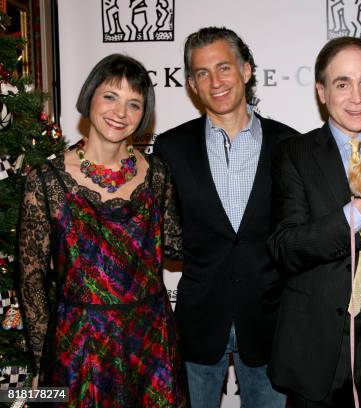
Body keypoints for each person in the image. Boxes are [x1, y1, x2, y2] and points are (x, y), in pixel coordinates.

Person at [18, 54, 185, 407]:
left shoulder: (157, 175)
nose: (120, 113)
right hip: (78, 347)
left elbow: (176, 246)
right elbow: (31, 280)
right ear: (90, 95)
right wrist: (42, 362)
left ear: (144, 114)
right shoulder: (47, 181)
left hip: (150, 343)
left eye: (134, 103)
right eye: (111, 96)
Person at [267, 36, 361, 407]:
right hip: (316, 348)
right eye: (342, 83)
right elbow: (286, 248)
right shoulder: (293, 154)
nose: (357, 97)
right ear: (321, 91)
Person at [154, 27, 296, 408]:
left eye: (224, 68)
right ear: (191, 84)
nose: (215, 82)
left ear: (246, 71)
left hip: (269, 323)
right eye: (202, 73)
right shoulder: (170, 148)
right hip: (198, 321)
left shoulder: (289, 145)